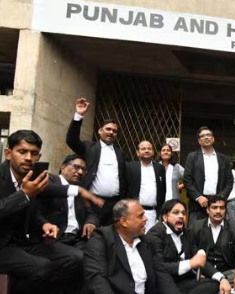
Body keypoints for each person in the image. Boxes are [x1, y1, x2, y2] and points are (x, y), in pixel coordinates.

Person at [0, 130, 84, 294]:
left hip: (22, 243)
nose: (29, 158)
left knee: (75, 258)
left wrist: (44, 224)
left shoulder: (32, 177)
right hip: (1, 245)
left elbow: (30, 213)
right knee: (41, 267)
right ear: (8, 153)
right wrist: (23, 195)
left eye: (34, 153)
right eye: (22, 152)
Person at [84, 199, 181, 294]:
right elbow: (96, 278)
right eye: (140, 216)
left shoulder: (147, 241)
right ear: (124, 222)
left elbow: (162, 275)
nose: (145, 219)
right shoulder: (101, 239)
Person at [66, 97, 127, 226]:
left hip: (114, 205)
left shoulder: (120, 153)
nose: (111, 132)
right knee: (91, 235)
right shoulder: (89, 148)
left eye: (114, 131)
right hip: (92, 203)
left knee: (111, 238)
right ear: (100, 131)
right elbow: (71, 140)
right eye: (108, 129)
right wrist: (79, 115)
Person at [147, 199, 220, 294]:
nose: (181, 216)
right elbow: (159, 267)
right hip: (164, 284)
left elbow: (199, 260)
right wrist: (189, 264)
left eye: (184, 213)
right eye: (176, 213)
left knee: (215, 284)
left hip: (183, 282)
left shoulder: (187, 233)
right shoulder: (156, 234)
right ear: (165, 217)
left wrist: (221, 278)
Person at [36, 154, 99, 249]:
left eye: (83, 169)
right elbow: (46, 190)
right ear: (63, 167)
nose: (80, 172)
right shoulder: (50, 180)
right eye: (76, 167)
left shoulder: (82, 190)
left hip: (78, 238)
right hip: (55, 237)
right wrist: (76, 190)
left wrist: (90, 222)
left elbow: (91, 213)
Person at [189, 195, 235, 294]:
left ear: (225, 210)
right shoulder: (196, 226)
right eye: (214, 207)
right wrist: (219, 278)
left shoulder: (233, 228)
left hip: (228, 272)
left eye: (222, 208)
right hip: (206, 272)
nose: (218, 211)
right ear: (208, 210)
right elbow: (194, 254)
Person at [183, 126, 233, 223]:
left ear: (213, 138)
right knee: (195, 235)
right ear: (199, 141)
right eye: (203, 136)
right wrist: (198, 197)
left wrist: (221, 198)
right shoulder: (192, 157)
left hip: (218, 204)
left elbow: (229, 181)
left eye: (209, 135)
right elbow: (187, 180)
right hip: (197, 204)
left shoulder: (224, 159)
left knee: (217, 234)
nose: (206, 137)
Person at [126, 141, 166, 231]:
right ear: (138, 153)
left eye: (149, 148)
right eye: (143, 149)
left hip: (153, 213)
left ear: (153, 152)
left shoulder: (160, 168)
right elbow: (125, 189)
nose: (146, 150)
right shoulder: (130, 167)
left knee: (151, 239)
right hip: (135, 211)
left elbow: (163, 190)